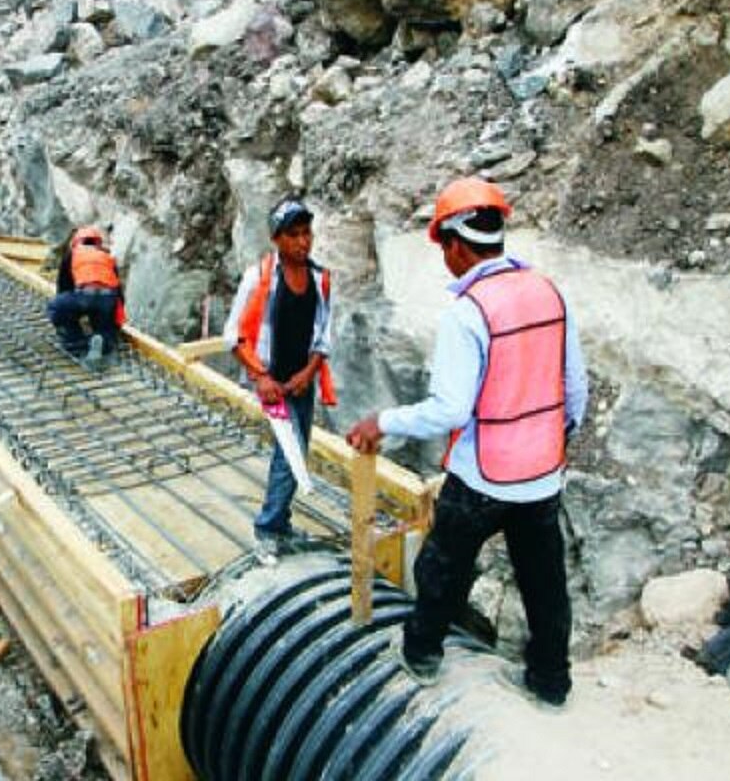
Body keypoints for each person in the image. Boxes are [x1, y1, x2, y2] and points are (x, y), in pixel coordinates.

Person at [345, 177, 588, 707]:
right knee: (545, 584)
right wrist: (556, 438)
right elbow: (576, 388)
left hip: (482, 475)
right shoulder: (547, 292)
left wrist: (381, 421)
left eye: (443, 249)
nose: (445, 260)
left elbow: (450, 409)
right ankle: (550, 684)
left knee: (443, 567)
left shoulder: (468, 312)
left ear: (455, 243)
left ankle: (422, 654)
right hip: (542, 475)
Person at [223, 197, 337, 558]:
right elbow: (233, 334)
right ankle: (268, 530)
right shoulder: (259, 277)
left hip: (300, 383)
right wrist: (260, 377)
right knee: (288, 458)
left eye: (307, 233)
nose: (303, 241)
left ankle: (281, 525)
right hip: (272, 383)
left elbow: (323, 336)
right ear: (277, 238)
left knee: (296, 452)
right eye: (294, 234)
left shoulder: (320, 279)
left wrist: (308, 372)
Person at [48, 226, 126, 364]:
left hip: (85, 296)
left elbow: (63, 287)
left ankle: (77, 344)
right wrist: (115, 324)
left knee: (56, 306)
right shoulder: (107, 257)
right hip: (107, 299)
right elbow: (118, 292)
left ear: (77, 242)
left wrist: (74, 314)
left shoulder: (72, 254)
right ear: (98, 243)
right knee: (104, 327)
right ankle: (102, 341)